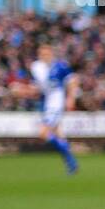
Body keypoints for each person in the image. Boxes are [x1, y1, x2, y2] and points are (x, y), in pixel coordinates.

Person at [28, 43, 79, 174]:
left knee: (43, 133)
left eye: (47, 53)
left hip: (56, 103)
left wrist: (70, 98)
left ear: (51, 54)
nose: (44, 56)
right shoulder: (36, 67)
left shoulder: (60, 66)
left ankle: (71, 159)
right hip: (45, 103)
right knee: (58, 134)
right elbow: (36, 89)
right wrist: (21, 90)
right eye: (42, 54)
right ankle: (70, 163)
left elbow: (73, 81)